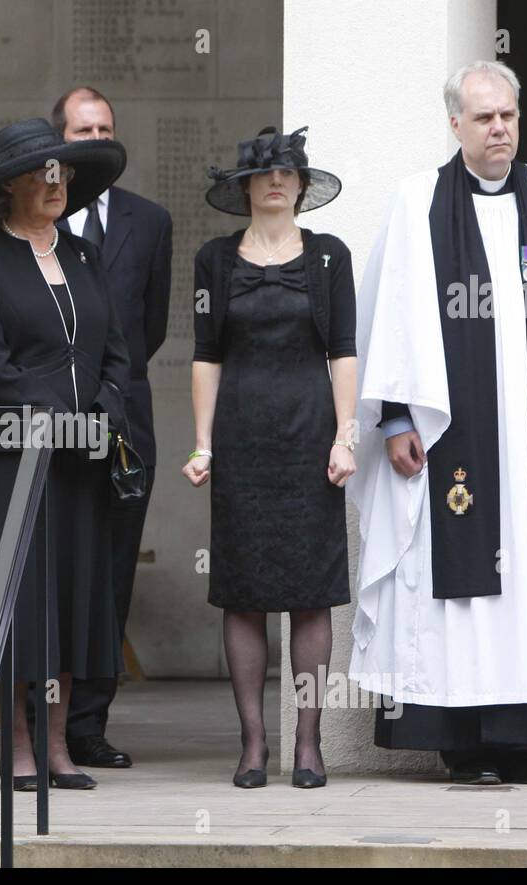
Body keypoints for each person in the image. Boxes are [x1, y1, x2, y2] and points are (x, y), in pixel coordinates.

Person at [347, 61, 527, 784]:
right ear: (455, 125)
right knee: (463, 585)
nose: (500, 128)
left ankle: (520, 742)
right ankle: (463, 744)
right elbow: (386, 318)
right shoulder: (419, 203)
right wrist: (391, 422)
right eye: (484, 118)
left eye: (508, 115)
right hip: (456, 440)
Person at [0, 117, 131, 791]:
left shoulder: (84, 255)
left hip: (79, 457)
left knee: (73, 594)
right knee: (19, 596)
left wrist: (103, 407)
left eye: (64, 173)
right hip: (13, 454)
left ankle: (56, 744)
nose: (58, 183)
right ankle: (16, 744)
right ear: (11, 186)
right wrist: (51, 415)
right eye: (45, 172)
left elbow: (114, 348)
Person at [183, 126, 356, 789]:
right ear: (246, 187)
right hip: (243, 438)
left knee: (311, 594)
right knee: (244, 593)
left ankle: (307, 745)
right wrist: (204, 444)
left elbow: (343, 349)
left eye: (288, 173)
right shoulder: (214, 261)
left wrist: (346, 436)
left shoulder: (330, 258)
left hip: (311, 436)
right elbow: (206, 355)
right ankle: (254, 744)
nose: (277, 182)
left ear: (302, 186)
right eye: (265, 174)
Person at [50, 86, 173, 770]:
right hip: (57, 423)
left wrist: (110, 392)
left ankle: (89, 725)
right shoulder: (38, 216)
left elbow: (148, 328)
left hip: (126, 422)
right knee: (60, 570)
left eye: (105, 128)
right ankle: (45, 724)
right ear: (59, 139)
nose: (96, 139)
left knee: (111, 574)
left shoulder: (149, 222)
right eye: (82, 129)